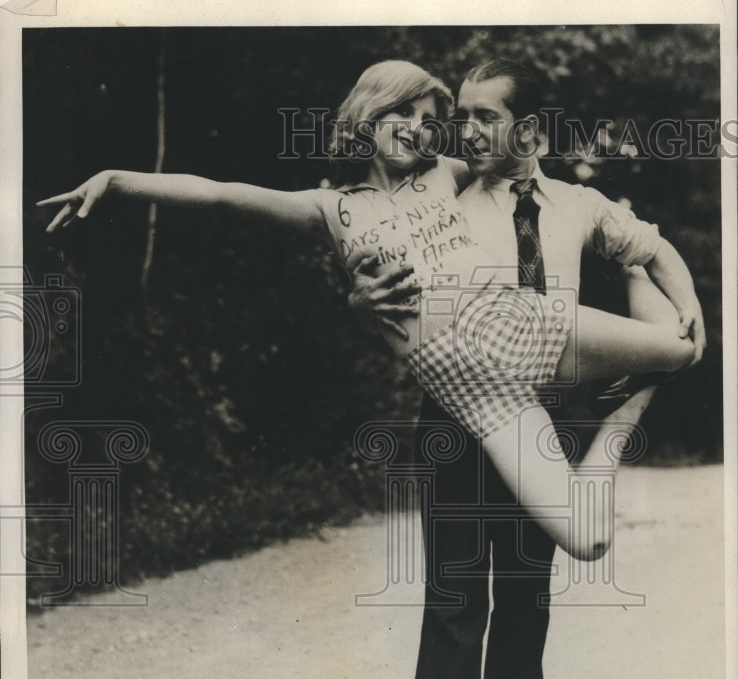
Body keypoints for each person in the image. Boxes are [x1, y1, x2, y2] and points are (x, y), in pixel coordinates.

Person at [37, 60, 701, 568]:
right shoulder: (335, 207)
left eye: (429, 116)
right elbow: (221, 195)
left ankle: (636, 278)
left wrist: (629, 241)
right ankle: (627, 411)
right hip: (474, 393)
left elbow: (522, 158)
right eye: (404, 113)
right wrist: (118, 180)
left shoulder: (452, 174)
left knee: (679, 345)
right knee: (587, 539)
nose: (421, 126)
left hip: (519, 324)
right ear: (368, 117)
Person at [346, 58, 705, 679]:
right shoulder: (439, 186)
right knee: (453, 588)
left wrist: (690, 300)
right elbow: (366, 222)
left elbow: (650, 248)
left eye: (484, 116)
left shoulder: (578, 204)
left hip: (546, 412)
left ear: (530, 130)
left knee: (526, 589)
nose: (464, 130)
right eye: (461, 115)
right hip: (460, 409)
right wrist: (358, 290)